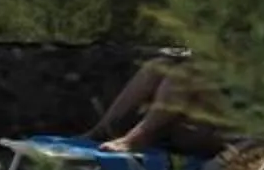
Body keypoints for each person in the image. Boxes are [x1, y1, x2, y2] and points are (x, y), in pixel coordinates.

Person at [89, 57, 231, 157]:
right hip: (188, 124)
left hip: (221, 133)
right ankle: (100, 132)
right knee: (158, 66)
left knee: (187, 74)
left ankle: (134, 139)